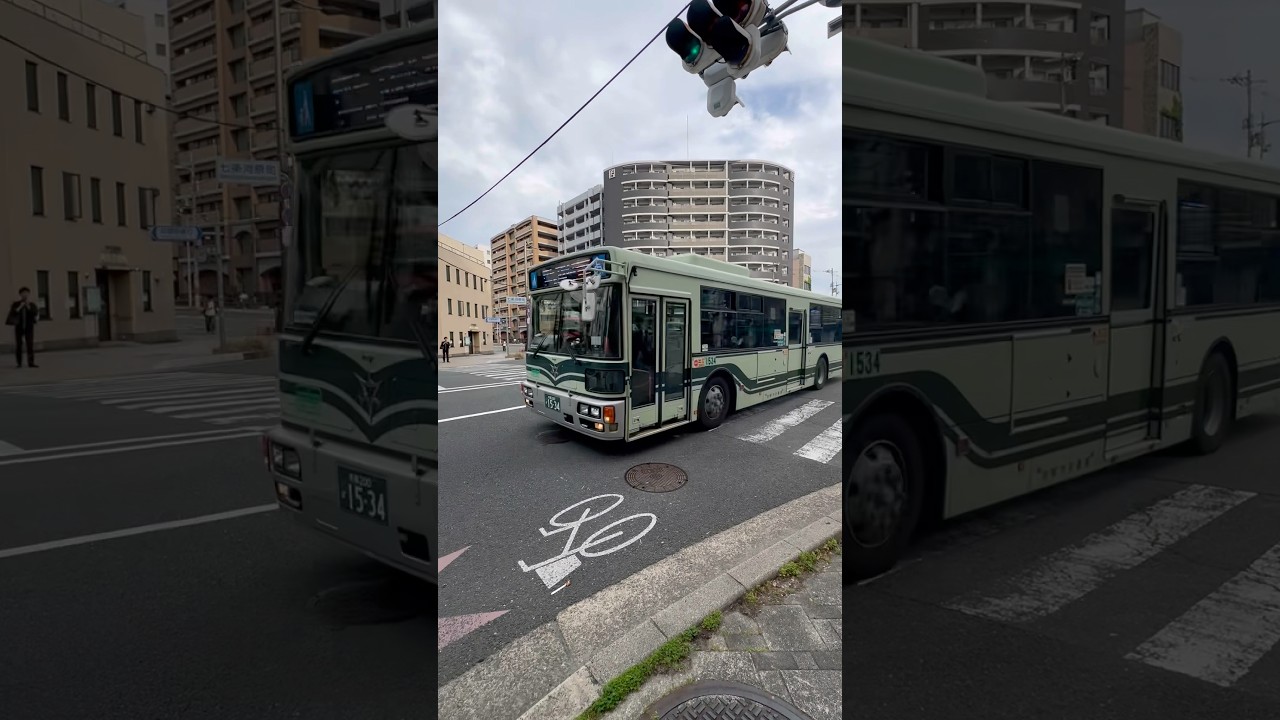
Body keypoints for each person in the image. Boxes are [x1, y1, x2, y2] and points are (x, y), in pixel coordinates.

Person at [6, 287, 40, 368]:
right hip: (19, 327)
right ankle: (19, 363)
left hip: (29, 328)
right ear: (20, 294)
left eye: (26, 293)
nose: (25, 294)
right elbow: (13, 313)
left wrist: (28, 306)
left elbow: (34, 313)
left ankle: (31, 362)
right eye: (23, 293)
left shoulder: (32, 305)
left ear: (28, 294)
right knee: (19, 345)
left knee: (30, 345)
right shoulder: (16, 304)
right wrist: (20, 306)